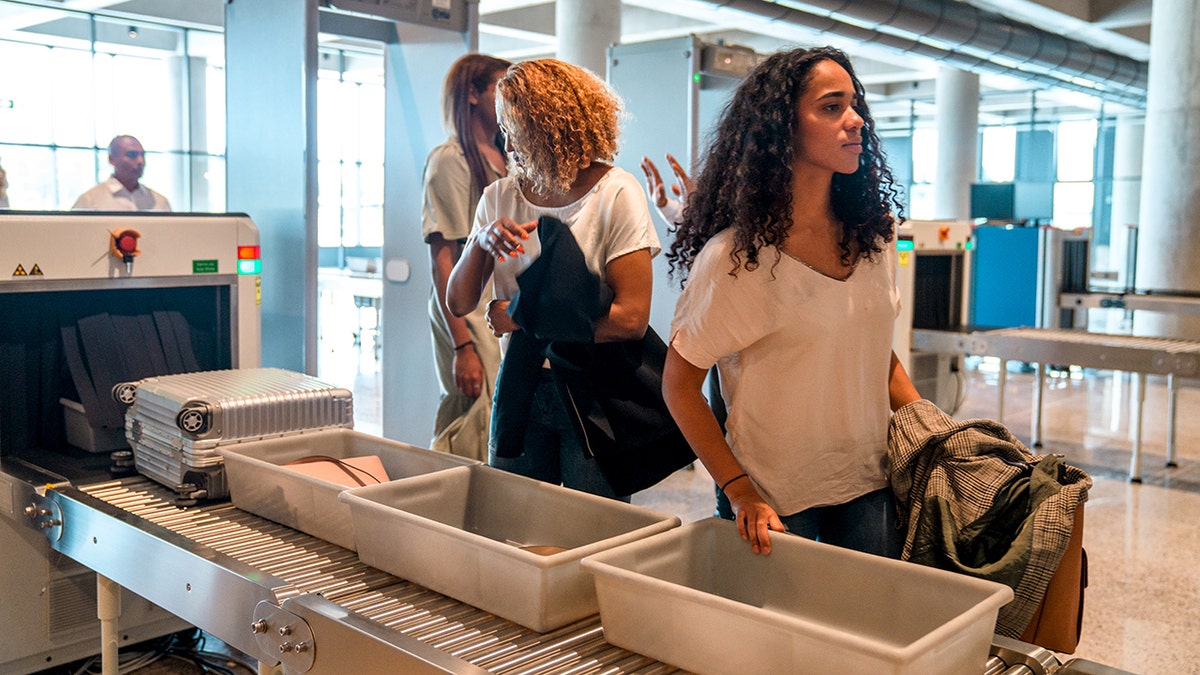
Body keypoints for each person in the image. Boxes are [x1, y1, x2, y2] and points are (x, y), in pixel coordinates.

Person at [661, 46, 921, 557]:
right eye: (831, 107)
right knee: (778, 637)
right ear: (783, 128)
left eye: (855, 106)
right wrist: (739, 491)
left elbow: (875, 356)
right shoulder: (738, 259)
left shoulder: (876, 237)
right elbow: (679, 385)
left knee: (863, 631)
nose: (855, 122)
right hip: (775, 498)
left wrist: (941, 437)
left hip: (869, 481)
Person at [446, 58, 661, 499]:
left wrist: (523, 322)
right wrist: (480, 242)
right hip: (522, 385)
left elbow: (631, 319)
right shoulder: (499, 196)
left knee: (594, 535)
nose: (505, 140)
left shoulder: (616, 193)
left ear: (552, 126)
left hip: (594, 392)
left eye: (515, 126)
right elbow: (459, 302)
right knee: (514, 525)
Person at [421, 53, 511, 460]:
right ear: (473, 94)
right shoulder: (451, 160)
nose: (511, 97)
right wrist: (463, 346)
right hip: (466, 310)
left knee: (491, 415)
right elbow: (444, 258)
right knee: (471, 416)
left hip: (496, 306)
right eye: (501, 87)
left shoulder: (505, 156)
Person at [72, 135, 171, 211]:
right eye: (132, 155)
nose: (140, 161)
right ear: (112, 159)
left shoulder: (160, 202)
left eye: (143, 155)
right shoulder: (90, 201)